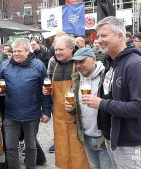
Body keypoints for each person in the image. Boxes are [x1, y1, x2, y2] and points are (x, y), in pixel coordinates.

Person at [83, 16, 141, 169]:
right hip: (112, 137)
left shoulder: (135, 64)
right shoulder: (112, 61)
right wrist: (101, 97)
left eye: (104, 35)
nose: (99, 40)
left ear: (120, 36)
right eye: (98, 36)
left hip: (128, 141)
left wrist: (102, 103)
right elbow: (114, 93)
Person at [0, 38, 51, 169]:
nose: (16, 54)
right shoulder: (4, 65)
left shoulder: (38, 65)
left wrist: (46, 111)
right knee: (10, 147)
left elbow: (47, 89)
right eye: (14, 51)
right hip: (10, 114)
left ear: (27, 51)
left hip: (31, 114)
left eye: (19, 51)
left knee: (31, 146)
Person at [43, 35, 90, 169]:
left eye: (61, 49)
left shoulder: (78, 64)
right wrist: (48, 91)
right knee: (62, 149)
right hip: (59, 117)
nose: (57, 52)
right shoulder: (54, 64)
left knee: (79, 152)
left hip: (77, 117)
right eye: (56, 49)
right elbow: (52, 86)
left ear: (71, 49)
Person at [67, 48, 113, 169]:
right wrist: (71, 108)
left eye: (82, 61)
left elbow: (117, 105)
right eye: (76, 63)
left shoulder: (107, 75)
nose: (78, 66)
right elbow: (78, 107)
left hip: (105, 137)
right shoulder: (77, 78)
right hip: (86, 136)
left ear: (94, 59)